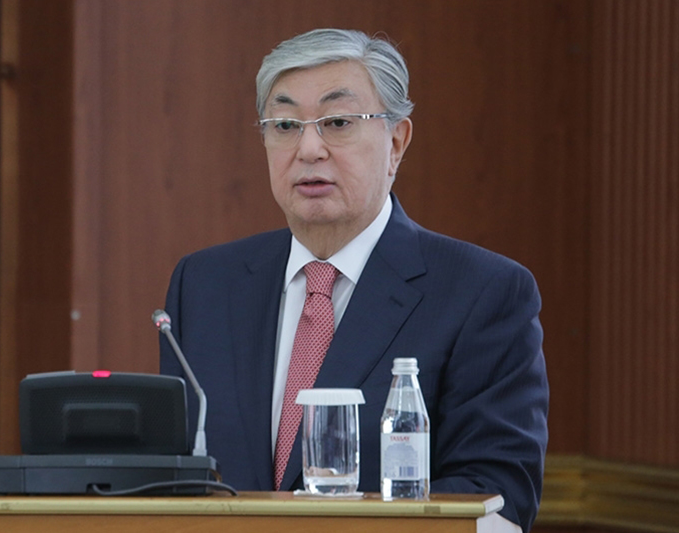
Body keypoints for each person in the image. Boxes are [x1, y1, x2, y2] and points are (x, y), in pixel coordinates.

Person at [160, 28, 548, 533]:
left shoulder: (482, 291)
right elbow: (171, 475)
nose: (309, 149)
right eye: (285, 125)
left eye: (338, 122)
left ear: (396, 142)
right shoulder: (205, 285)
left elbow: (498, 496)